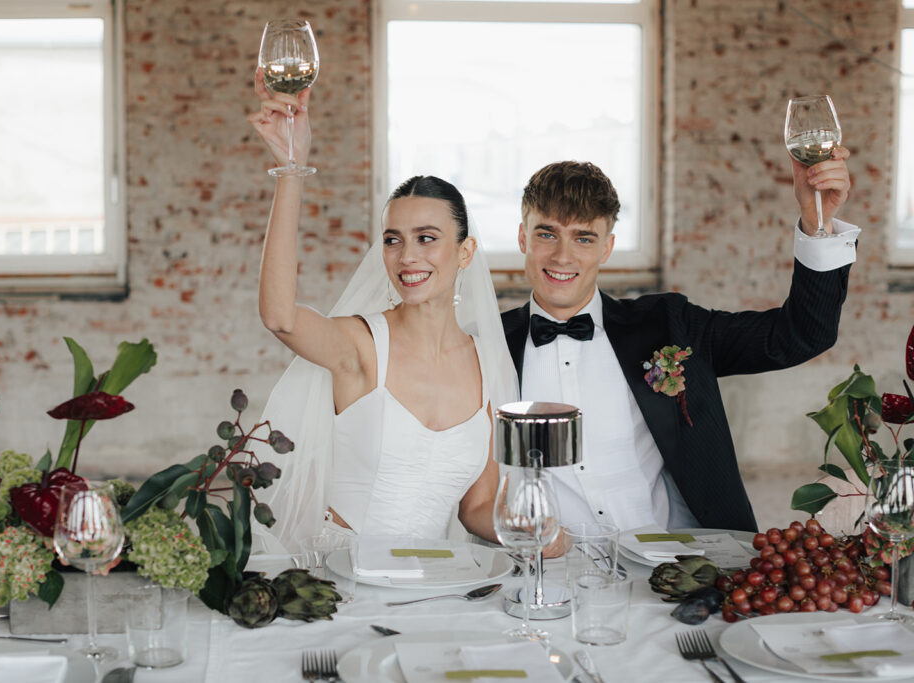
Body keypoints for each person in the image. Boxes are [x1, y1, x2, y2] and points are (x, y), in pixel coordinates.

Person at [502, 151, 858, 533]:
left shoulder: (669, 325)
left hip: (670, 563)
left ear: (606, 248)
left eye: (583, 238)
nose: (562, 255)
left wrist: (816, 221)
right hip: (544, 568)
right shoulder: (489, 344)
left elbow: (801, 334)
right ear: (523, 237)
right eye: (546, 234)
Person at [247, 70, 518, 552]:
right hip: (343, 581)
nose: (407, 256)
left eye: (427, 239)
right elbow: (279, 316)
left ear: (465, 251)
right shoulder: (361, 346)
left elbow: (476, 509)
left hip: (434, 585)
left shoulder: (488, 365)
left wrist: (536, 534)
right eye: (393, 240)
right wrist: (292, 169)